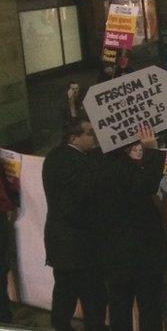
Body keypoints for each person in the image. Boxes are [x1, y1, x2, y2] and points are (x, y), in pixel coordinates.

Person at [96, 125, 167, 331]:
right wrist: (153, 151)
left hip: (114, 255)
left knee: (120, 309)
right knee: (149, 308)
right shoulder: (122, 168)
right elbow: (145, 184)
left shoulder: (98, 166)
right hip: (141, 255)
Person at [43, 118, 108, 331]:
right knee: (94, 298)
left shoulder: (53, 157)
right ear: (74, 137)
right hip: (80, 245)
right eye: (89, 133)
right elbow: (82, 201)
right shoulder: (80, 164)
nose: (94, 137)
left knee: (64, 293)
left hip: (58, 241)